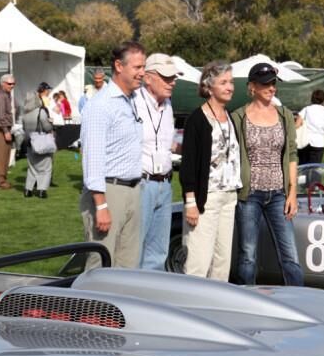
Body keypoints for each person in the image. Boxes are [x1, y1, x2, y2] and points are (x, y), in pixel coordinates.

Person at [231, 62, 303, 286]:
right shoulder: (238, 117)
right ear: (252, 86)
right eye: (265, 84)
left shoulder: (284, 116)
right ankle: (246, 300)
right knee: (248, 256)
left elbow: (292, 154)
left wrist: (292, 193)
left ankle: (298, 300)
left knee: (290, 255)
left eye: (273, 83)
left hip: (279, 195)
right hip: (249, 195)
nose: (271, 88)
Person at [80, 42, 146, 269]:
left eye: (143, 67)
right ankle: (91, 306)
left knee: (127, 267)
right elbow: (93, 159)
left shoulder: (132, 101)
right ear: (119, 66)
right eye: (137, 67)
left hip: (133, 190)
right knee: (100, 265)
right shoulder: (101, 105)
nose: (142, 73)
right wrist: (101, 206)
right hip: (109, 192)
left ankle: (120, 306)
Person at [179, 60, 240, 281]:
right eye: (223, 82)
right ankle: (190, 309)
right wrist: (190, 202)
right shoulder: (197, 119)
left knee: (222, 264)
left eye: (231, 82)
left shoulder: (230, 116)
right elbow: (188, 165)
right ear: (208, 86)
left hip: (229, 197)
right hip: (207, 199)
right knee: (198, 263)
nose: (230, 87)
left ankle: (217, 310)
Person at [135, 53, 178, 270]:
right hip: (142, 183)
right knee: (135, 248)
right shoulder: (133, 102)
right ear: (148, 78)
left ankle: (149, 296)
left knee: (159, 252)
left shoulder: (168, 105)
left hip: (166, 184)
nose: (172, 82)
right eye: (166, 77)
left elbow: (167, 143)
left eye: (173, 78)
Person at [21, 84, 55, 198]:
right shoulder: (41, 112)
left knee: (32, 168)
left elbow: (24, 128)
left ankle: (28, 190)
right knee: (46, 168)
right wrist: (51, 124)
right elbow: (47, 127)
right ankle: (41, 191)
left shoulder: (24, 114)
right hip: (41, 142)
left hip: (30, 142)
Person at [0, 73, 18, 190]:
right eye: (9, 84)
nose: (12, 86)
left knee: (5, 157)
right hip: (1, 130)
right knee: (0, 158)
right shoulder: (1, 96)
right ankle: (1, 182)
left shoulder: (7, 95)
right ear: (3, 84)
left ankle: (2, 179)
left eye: (14, 84)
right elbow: (0, 116)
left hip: (4, 129)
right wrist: (6, 131)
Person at [295, 89, 324, 165]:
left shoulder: (306, 109)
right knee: (314, 168)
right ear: (323, 99)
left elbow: (297, 125)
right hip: (319, 143)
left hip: (304, 141)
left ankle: (302, 177)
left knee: (302, 166)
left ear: (312, 98)